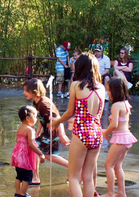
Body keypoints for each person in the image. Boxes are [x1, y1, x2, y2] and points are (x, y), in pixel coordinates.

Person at [53, 54, 105, 197]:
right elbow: (98, 115)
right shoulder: (101, 87)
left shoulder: (76, 85)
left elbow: (70, 112)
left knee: (74, 177)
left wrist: (57, 122)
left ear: (80, 67)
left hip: (82, 133)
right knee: (88, 177)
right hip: (96, 133)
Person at [22, 78, 70, 185]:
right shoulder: (36, 102)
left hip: (53, 132)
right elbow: (42, 118)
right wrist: (38, 132)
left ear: (34, 91)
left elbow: (57, 118)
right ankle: (72, 167)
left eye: (26, 90)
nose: (24, 93)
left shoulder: (44, 104)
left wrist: (62, 135)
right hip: (48, 132)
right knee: (48, 155)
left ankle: (35, 178)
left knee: (35, 148)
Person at [102, 78, 138, 197]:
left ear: (115, 91)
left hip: (121, 139)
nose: (108, 93)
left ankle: (110, 193)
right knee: (118, 166)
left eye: (109, 90)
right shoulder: (125, 103)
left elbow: (114, 125)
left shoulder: (116, 105)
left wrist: (105, 133)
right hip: (126, 136)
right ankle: (121, 192)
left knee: (108, 165)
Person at [11, 105, 45, 197]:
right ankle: (23, 194)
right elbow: (31, 144)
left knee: (19, 176)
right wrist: (40, 154)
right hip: (25, 157)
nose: (36, 120)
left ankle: (17, 193)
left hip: (17, 155)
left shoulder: (20, 128)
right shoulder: (29, 130)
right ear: (28, 118)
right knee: (27, 176)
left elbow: (21, 142)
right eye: (35, 117)